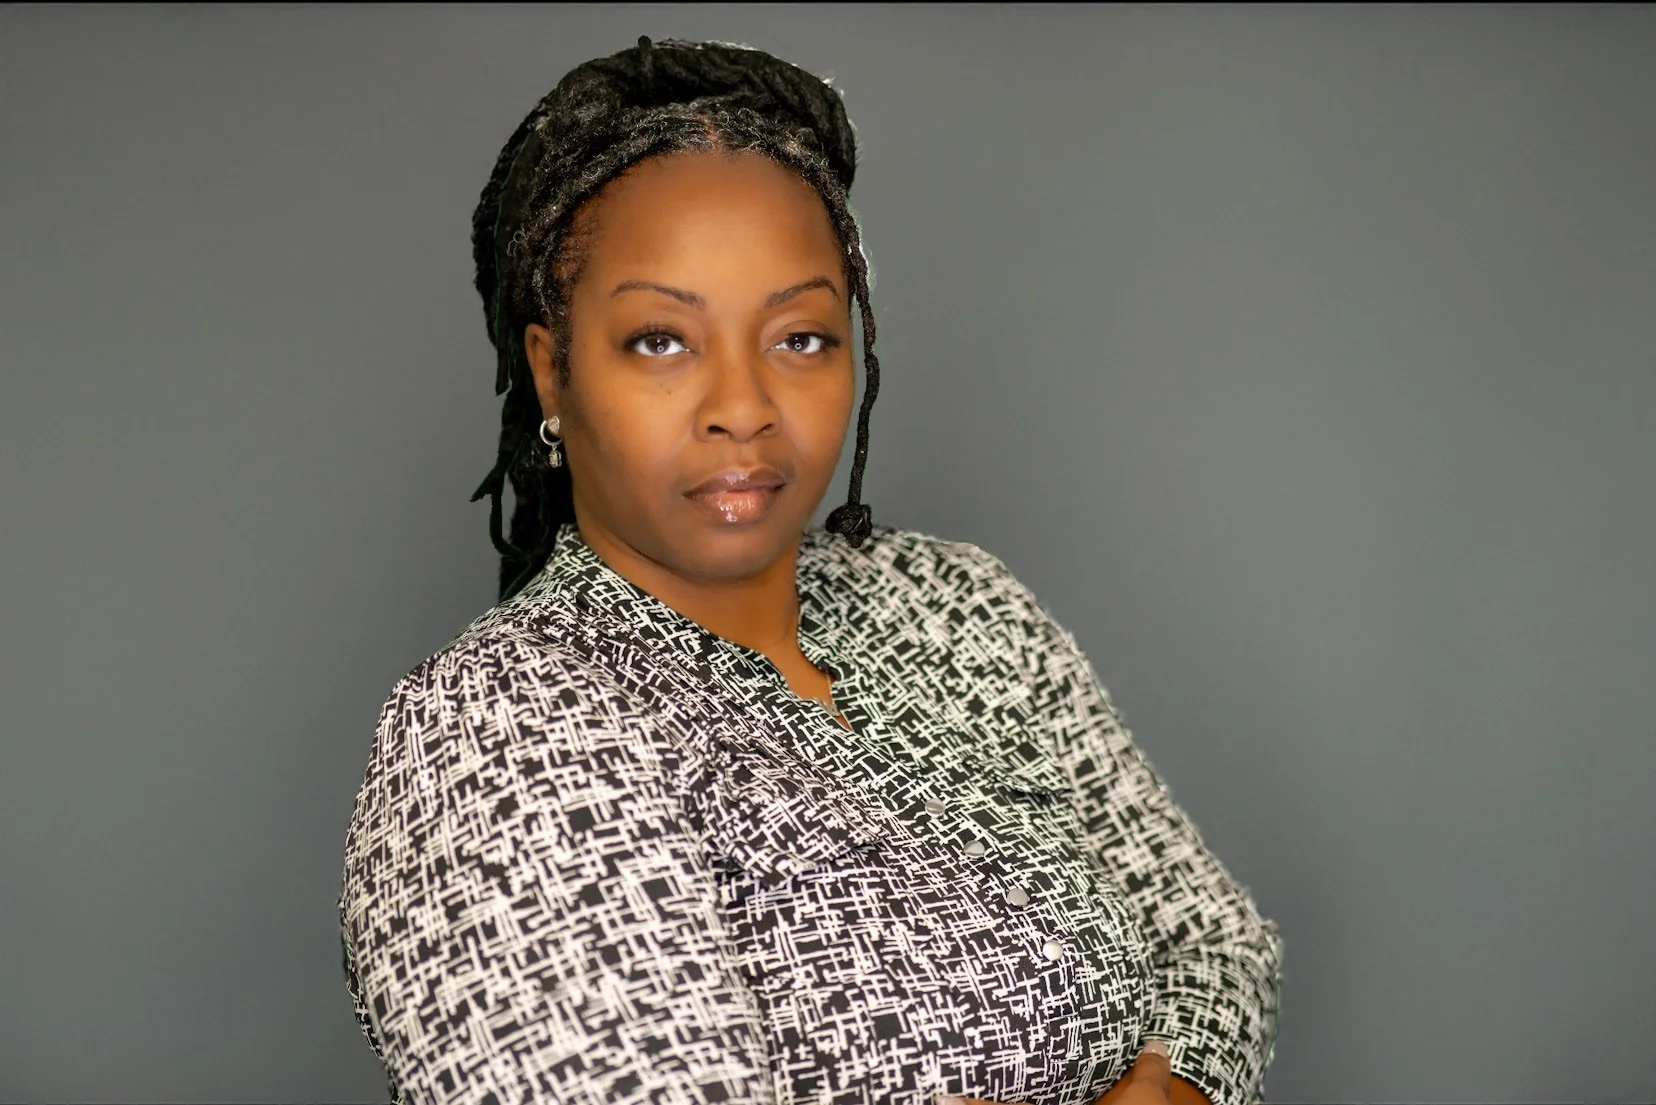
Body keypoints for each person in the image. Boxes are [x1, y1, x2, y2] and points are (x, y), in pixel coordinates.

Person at [337, 36, 1283, 1105]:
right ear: (553, 371)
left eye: (799, 338)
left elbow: (1215, 940)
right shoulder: (497, 726)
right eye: (661, 340)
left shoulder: (957, 607)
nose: (742, 404)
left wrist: (1164, 1097)